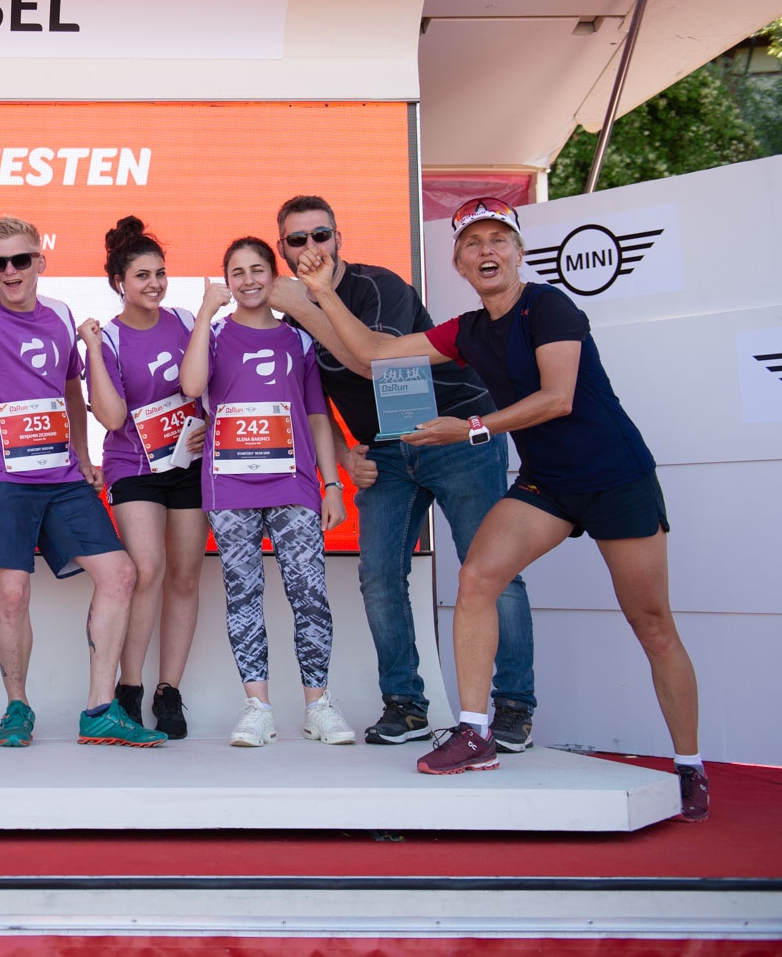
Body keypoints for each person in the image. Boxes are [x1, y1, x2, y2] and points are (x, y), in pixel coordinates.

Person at [297, 198, 707, 820]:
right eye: (472, 244)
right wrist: (323, 294)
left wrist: (469, 428)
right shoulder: (467, 329)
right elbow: (376, 353)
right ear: (459, 263)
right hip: (549, 484)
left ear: (518, 253)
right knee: (478, 578)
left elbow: (558, 398)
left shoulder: (550, 306)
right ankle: (475, 732)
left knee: (652, 624)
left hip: (615, 477)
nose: (485, 251)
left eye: (498, 241)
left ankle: (689, 765)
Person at [268, 195, 537, 751]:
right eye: (298, 239)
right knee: (379, 577)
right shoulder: (291, 312)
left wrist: (308, 305)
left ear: (338, 237)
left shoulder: (377, 285)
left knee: (492, 570)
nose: (311, 247)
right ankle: (406, 705)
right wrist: (345, 453)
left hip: (456, 433)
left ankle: (514, 707)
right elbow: (309, 398)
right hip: (386, 454)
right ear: (283, 249)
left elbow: (376, 360)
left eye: (321, 235)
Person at [0, 216, 165, 749]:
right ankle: (17, 707)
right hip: (1, 475)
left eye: (20, 260)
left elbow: (71, 388)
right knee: (12, 593)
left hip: (61, 473)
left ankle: (100, 710)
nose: (10, 271)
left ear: (40, 262)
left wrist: (84, 454)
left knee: (120, 574)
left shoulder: (61, 314)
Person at [179, 238, 355, 748]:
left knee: (309, 592)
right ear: (225, 281)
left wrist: (332, 484)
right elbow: (192, 387)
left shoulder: (298, 340)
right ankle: (258, 707)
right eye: (237, 272)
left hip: (293, 482)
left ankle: (318, 705)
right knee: (243, 594)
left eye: (257, 270)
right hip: (229, 485)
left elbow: (317, 416)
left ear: (274, 277)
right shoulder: (213, 334)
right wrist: (205, 313)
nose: (248, 280)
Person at [76, 216, 207, 739]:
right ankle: (128, 687)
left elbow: (209, 388)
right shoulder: (106, 337)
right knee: (147, 570)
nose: (154, 284)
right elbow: (111, 418)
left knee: (186, 575)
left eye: (160, 273)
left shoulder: (185, 320)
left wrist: (207, 425)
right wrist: (91, 349)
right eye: (142, 276)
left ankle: (168, 690)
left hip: (188, 464)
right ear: (119, 283)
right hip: (134, 467)